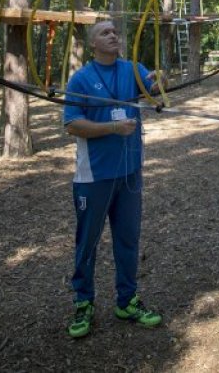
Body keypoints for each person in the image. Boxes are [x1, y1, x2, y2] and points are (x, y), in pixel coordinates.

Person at [63, 20, 163, 338]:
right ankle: (83, 304)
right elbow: (73, 125)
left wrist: (159, 82)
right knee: (88, 244)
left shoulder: (132, 68)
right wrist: (112, 128)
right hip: (94, 177)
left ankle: (127, 301)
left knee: (128, 240)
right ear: (92, 43)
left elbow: (153, 91)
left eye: (115, 31)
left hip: (130, 173)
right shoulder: (81, 79)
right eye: (105, 32)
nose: (113, 35)